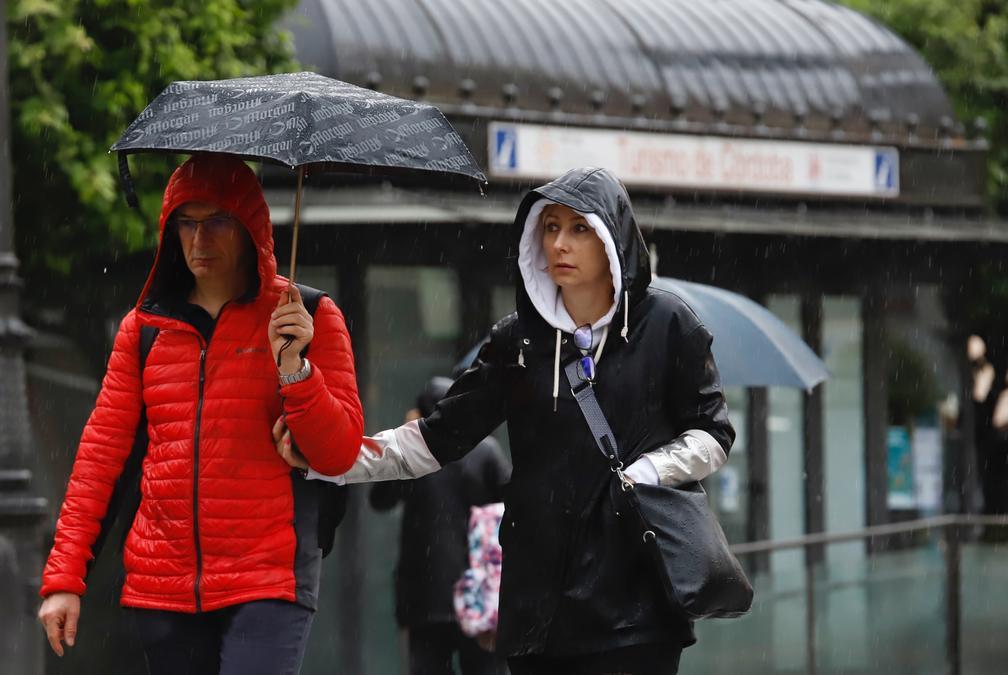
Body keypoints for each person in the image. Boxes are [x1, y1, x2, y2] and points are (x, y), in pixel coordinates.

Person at [276, 167, 735, 674]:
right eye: (551, 227)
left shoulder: (668, 324)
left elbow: (713, 433)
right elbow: (434, 440)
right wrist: (332, 457)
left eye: (579, 228)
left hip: (636, 601)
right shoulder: (517, 340)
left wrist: (646, 474)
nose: (560, 242)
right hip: (537, 605)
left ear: (613, 237)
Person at [38, 154, 364, 674]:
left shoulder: (309, 317)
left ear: (249, 228)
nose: (198, 240)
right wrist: (63, 579)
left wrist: (295, 368)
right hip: (162, 585)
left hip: (269, 577)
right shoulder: (142, 329)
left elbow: (340, 451)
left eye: (215, 222)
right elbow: (100, 459)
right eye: (185, 224)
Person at [369, 376, 510, 675]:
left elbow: (379, 499)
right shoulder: (485, 451)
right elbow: (513, 505)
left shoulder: (411, 457)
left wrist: (404, 436)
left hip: (424, 597)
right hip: (479, 592)